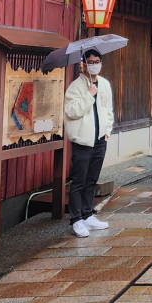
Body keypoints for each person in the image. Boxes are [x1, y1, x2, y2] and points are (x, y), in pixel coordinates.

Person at [63, 48, 115, 237]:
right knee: (78, 181)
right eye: (90, 62)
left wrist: (107, 132)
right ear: (84, 64)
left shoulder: (105, 85)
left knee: (92, 180)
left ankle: (88, 214)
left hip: (100, 140)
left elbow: (108, 111)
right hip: (83, 141)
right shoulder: (76, 87)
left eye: (97, 61)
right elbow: (71, 111)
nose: (94, 65)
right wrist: (89, 95)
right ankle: (76, 219)